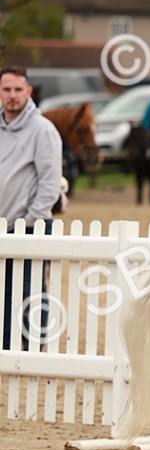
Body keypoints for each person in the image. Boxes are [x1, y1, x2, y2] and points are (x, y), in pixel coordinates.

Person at [0, 66, 62, 349]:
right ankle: (6, 346)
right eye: (6, 90)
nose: (12, 96)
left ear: (28, 92)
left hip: (30, 225)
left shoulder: (43, 130)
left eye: (17, 90)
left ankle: (32, 349)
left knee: (30, 290)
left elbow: (50, 183)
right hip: (2, 227)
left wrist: (30, 221)